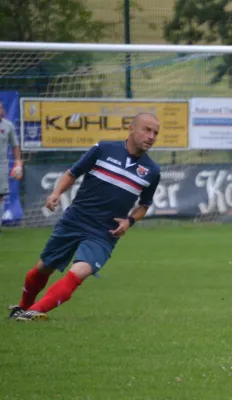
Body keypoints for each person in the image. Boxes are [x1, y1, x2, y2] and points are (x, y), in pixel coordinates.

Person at [8, 113, 161, 321]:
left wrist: (129, 221)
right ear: (131, 128)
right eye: (147, 130)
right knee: (44, 268)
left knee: (80, 272)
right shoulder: (104, 149)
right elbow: (72, 173)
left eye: (155, 133)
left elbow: (144, 205)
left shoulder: (152, 171)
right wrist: (55, 194)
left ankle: (34, 311)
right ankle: (23, 307)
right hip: (75, 219)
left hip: (104, 232)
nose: (151, 136)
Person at [0, 101, 23, 231]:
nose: (1, 110)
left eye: (1, 107)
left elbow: (15, 145)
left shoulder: (8, 126)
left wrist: (18, 162)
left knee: (1, 196)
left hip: (1, 166)